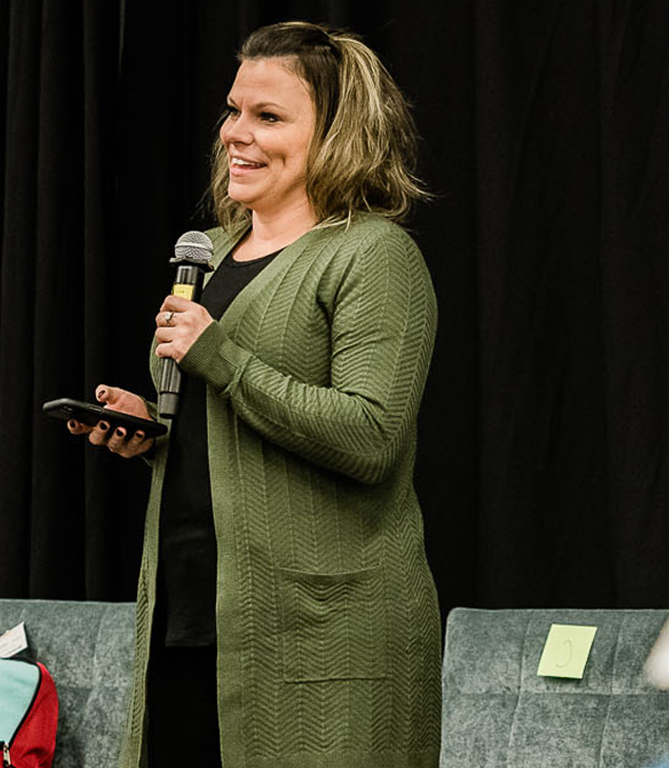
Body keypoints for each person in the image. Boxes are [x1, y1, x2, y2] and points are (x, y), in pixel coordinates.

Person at [68, 21, 440, 768]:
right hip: (193, 611)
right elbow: (231, 430)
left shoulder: (374, 256)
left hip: (324, 633)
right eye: (234, 111)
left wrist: (221, 357)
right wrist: (154, 431)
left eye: (268, 117)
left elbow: (370, 436)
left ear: (339, 134)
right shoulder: (207, 252)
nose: (236, 134)